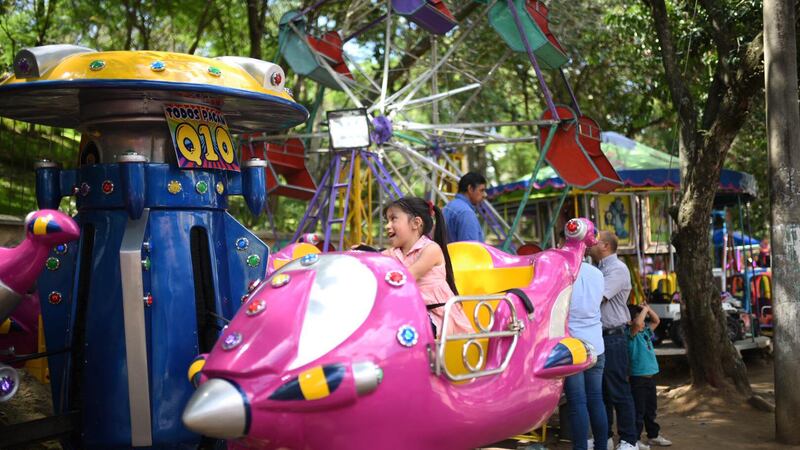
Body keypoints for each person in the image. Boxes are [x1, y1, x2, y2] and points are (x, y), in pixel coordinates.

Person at [382, 196, 473, 337]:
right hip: (410, 313)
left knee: (400, 328)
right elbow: (375, 261)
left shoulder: (430, 250)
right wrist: (364, 252)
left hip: (437, 317)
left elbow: (406, 278)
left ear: (416, 223)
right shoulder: (394, 253)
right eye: (387, 221)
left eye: (393, 219)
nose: (387, 226)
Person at [588, 230, 639, 450]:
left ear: (605, 246)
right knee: (603, 391)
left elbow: (596, 298)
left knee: (618, 389)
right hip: (601, 337)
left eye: (594, 242)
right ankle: (605, 437)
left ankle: (629, 440)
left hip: (613, 337)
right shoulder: (600, 268)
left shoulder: (617, 270)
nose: (590, 245)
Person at [565, 262, 608, 450]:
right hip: (597, 345)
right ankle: (601, 446)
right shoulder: (597, 273)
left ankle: (581, 447)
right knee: (596, 399)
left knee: (577, 402)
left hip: (573, 347)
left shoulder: (564, 273)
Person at [627, 304, 672, 449]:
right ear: (630, 321)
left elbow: (656, 321)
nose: (643, 321)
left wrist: (646, 308)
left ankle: (653, 435)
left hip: (650, 378)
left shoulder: (645, 332)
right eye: (639, 317)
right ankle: (635, 439)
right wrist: (644, 311)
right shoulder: (630, 333)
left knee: (650, 409)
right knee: (638, 410)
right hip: (638, 378)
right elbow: (638, 323)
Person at [443, 172, 487, 242]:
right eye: (481, 190)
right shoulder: (466, 213)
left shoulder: (448, 207)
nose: (484, 195)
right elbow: (471, 250)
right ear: (470, 189)